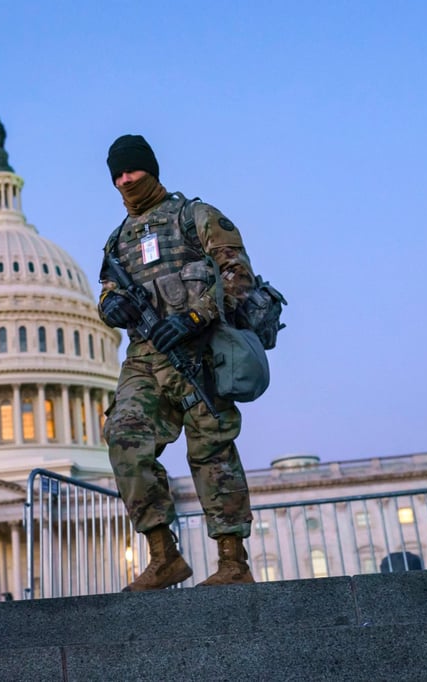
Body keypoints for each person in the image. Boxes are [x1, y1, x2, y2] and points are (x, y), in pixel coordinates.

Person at [98, 134, 258, 590]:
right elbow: (108, 292)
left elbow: (237, 275)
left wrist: (193, 317)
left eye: (132, 170)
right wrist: (112, 308)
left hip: (200, 351)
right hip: (146, 358)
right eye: (118, 175)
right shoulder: (118, 240)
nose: (126, 180)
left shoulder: (196, 217)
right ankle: (162, 554)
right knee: (123, 436)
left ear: (152, 168)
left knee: (212, 452)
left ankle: (232, 561)